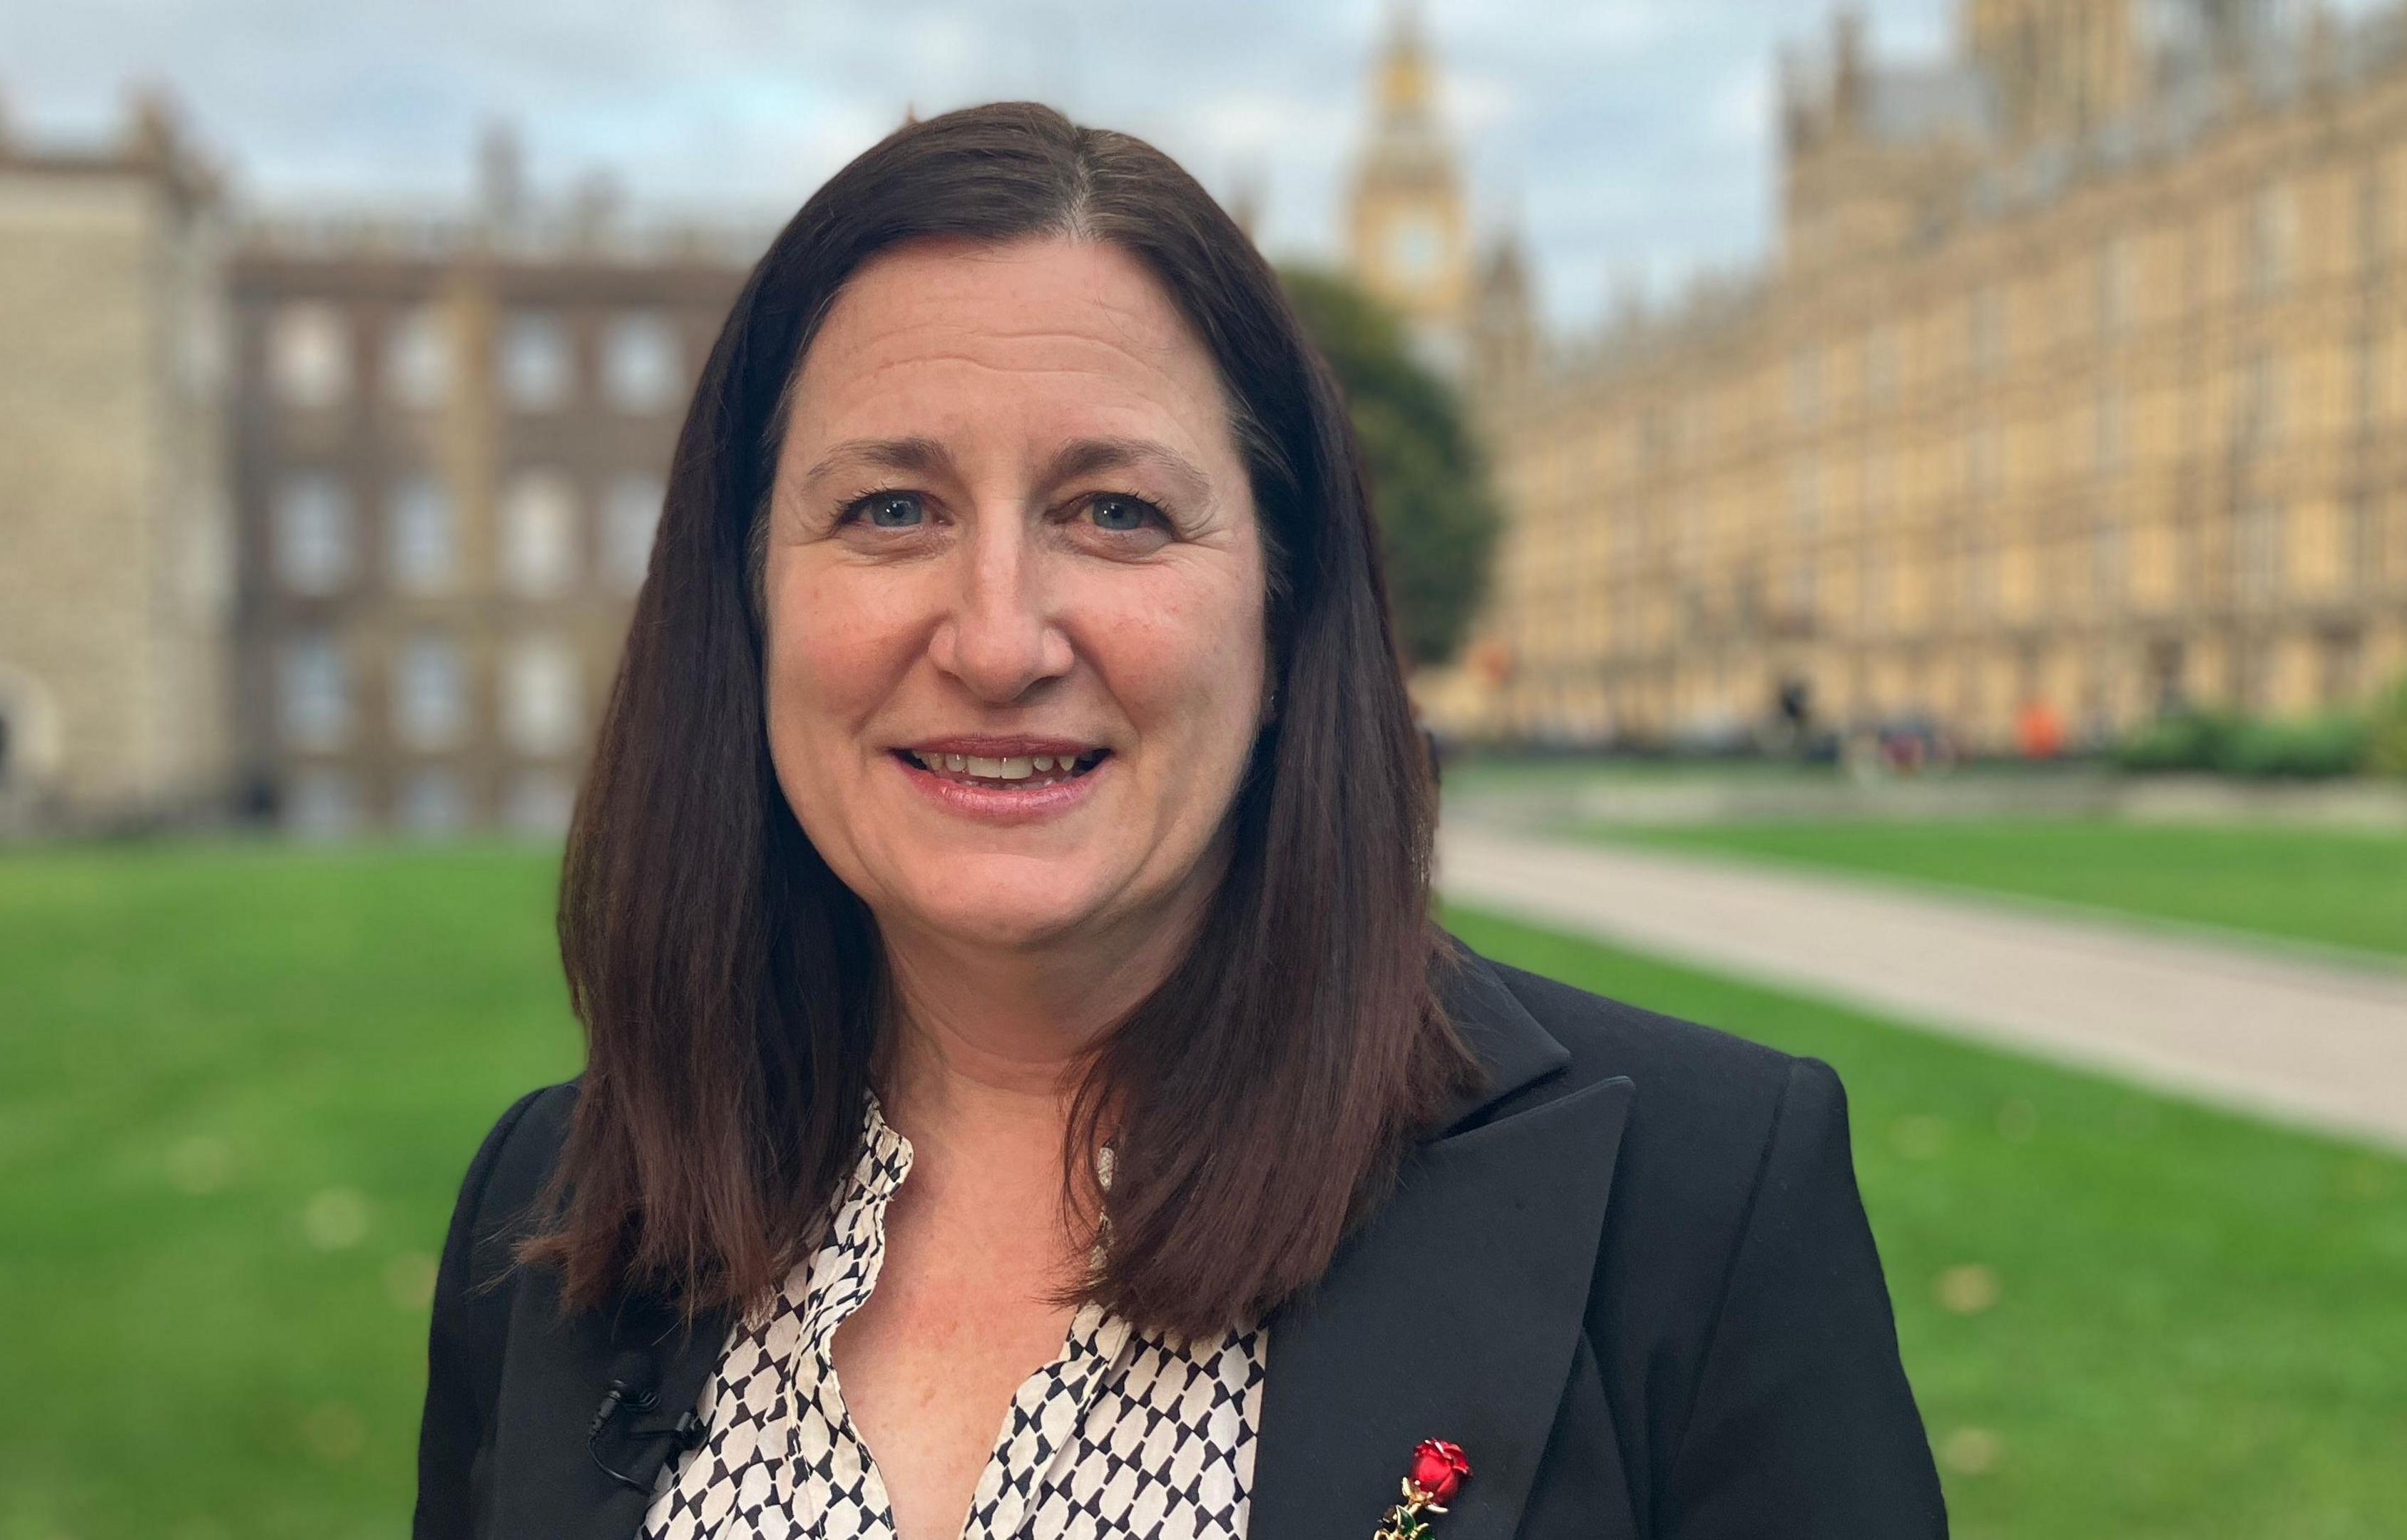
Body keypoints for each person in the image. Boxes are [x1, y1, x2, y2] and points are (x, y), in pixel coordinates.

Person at [414, 102, 1946, 1540]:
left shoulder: (1699, 1198)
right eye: (891, 510)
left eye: (1116, 513)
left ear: (1283, 611)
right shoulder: (553, 1213)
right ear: (745, 600)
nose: (1001, 640)